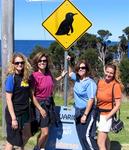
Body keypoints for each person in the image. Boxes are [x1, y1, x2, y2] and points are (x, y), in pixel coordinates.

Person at [30, 52, 67, 150]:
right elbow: (32, 96)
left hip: (49, 102)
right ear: (37, 62)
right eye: (40, 61)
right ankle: (37, 148)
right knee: (45, 132)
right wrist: (40, 109)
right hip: (40, 104)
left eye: (44, 61)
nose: (42, 62)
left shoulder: (48, 73)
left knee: (46, 131)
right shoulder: (34, 76)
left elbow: (53, 81)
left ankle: (42, 148)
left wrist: (62, 76)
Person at [67, 56, 98, 150]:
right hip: (77, 111)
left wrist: (85, 115)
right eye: (79, 68)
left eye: (83, 67)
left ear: (87, 69)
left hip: (87, 112)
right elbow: (69, 73)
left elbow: (91, 99)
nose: (81, 69)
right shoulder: (77, 78)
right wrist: (68, 62)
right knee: (80, 136)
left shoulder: (90, 83)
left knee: (87, 137)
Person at [5, 53, 32, 150]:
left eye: (21, 62)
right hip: (14, 114)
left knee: (26, 135)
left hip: (24, 113)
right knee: (11, 141)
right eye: (17, 63)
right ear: (13, 64)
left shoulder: (26, 77)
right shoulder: (11, 79)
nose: (19, 65)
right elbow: (8, 99)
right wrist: (13, 119)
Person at [96, 63, 123, 150]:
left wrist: (108, 117)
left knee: (100, 142)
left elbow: (118, 105)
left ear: (114, 74)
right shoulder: (100, 82)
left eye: (111, 73)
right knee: (105, 138)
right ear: (104, 71)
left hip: (107, 116)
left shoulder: (116, 85)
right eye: (107, 72)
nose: (108, 74)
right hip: (98, 115)